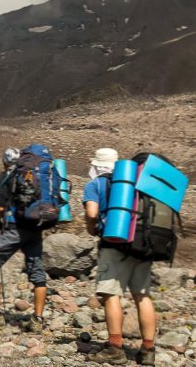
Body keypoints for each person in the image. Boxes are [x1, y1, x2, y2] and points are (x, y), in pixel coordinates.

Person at [84, 148, 156, 366]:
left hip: (113, 244)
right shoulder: (137, 184)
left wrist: (92, 228)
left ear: (96, 165)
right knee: (142, 296)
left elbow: (91, 213)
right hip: (142, 243)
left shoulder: (95, 184)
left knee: (111, 293)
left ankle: (115, 348)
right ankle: (148, 349)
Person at [0, 147, 49, 332]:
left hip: (15, 229)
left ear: (4, 162)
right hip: (35, 228)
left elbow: (0, 209)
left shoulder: (5, 177)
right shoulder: (35, 175)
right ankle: (38, 320)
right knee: (37, 273)